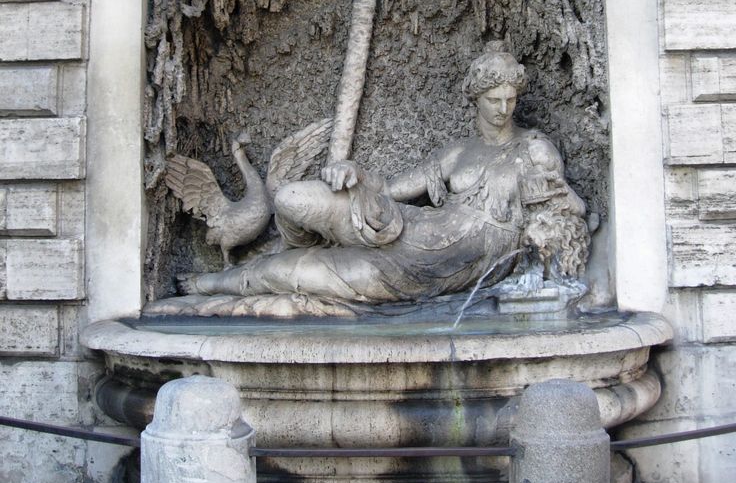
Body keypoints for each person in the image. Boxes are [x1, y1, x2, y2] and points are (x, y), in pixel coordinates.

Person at [180, 48, 588, 305]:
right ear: (475, 100)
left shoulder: (534, 147)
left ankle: (214, 284)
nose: (503, 108)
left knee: (305, 274)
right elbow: (391, 190)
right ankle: (267, 251)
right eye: (493, 99)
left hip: (451, 262)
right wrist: (354, 172)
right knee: (291, 197)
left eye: (510, 100)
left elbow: (570, 211)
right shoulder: (456, 152)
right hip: (418, 229)